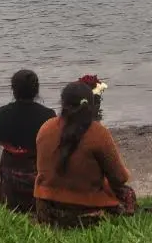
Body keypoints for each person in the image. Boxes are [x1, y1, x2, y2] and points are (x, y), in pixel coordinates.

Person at [33, 81, 136, 228]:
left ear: (62, 103)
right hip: (87, 209)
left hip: (47, 209)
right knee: (128, 193)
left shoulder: (45, 128)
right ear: (91, 105)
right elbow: (120, 178)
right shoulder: (99, 133)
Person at [0, 69, 56, 212]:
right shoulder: (48, 115)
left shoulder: (2, 113)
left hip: (10, 180)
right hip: (36, 180)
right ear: (36, 90)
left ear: (13, 90)